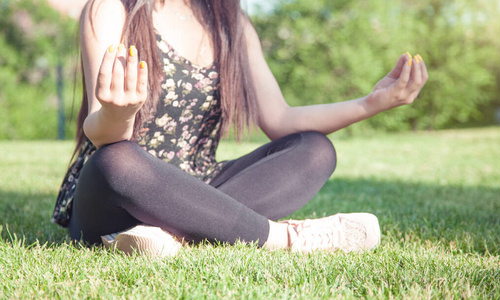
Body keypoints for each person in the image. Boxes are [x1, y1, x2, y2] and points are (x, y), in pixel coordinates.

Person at [52, 0, 428, 256]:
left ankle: (167, 236)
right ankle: (288, 238)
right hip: (117, 195)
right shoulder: (111, 9)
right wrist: (120, 114)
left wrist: (369, 103)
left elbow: (280, 120)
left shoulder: (232, 23)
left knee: (315, 149)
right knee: (116, 162)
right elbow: (102, 134)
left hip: (202, 186)